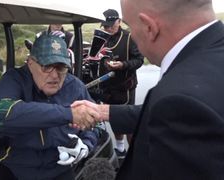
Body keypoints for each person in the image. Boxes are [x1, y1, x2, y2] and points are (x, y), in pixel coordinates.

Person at [71, 0, 224, 179]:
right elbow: (176, 115)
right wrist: (104, 111)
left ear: (149, 28)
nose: (132, 35)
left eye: (131, 26)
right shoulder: (208, 60)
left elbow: (178, 110)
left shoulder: (179, 97)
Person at [0, 34, 100, 180]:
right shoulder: (14, 79)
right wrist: (68, 113)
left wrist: (86, 144)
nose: (54, 76)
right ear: (30, 63)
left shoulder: (75, 86)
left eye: (60, 67)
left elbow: (97, 123)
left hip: (58, 167)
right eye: (46, 66)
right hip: (11, 165)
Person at [99, 9, 143, 159]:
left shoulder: (130, 37)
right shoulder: (102, 38)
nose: (108, 29)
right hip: (109, 85)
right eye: (105, 26)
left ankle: (136, 154)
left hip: (126, 85)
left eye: (111, 25)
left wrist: (122, 65)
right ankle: (120, 149)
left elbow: (139, 60)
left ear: (119, 21)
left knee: (128, 119)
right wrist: (104, 63)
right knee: (114, 116)